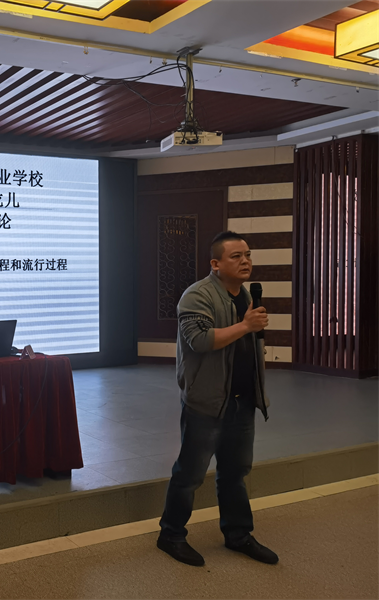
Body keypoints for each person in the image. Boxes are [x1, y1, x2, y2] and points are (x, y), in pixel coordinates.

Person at [157, 231, 279, 567]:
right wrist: (246, 325)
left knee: (235, 472)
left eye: (248, 255)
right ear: (215, 263)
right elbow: (199, 340)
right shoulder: (197, 295)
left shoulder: (245, 296)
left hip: (243, 400)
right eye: (236, 256)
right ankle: (171, 535)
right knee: (190, 474)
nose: (245, 261)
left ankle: (238, 534)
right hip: (207, 402)